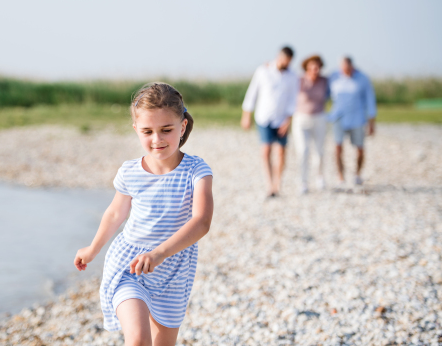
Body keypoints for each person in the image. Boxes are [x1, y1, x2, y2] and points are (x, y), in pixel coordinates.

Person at [74, 83, 214, 346]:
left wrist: (159, 253)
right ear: (136, 129)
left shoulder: (197, 171)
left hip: (173, 268)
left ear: (182, 127)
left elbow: (202, 222)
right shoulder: (130, 171)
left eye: (166, 130)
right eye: (147, 131)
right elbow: (116, 213)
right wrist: (93, 248)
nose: (157, 139)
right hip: (130, 265)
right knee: (138, 340)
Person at [241, 46, 299, 197]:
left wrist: (288, 120)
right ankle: (269, 185)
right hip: (264, 116)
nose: (285, 63)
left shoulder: (292, 76)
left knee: (281, 152)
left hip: (282, 118)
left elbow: (293, 100)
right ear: (279, 57)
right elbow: (252, 92)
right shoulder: (263, 70)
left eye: (288, 61)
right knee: (265, 151)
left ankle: (277, 184)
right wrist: (246, 114)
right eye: (283, 59)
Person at [328, 56, 377, 186]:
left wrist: (372, 121)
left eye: (348, 69)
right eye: (343, 69)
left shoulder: (362, 78)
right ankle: (340, 176)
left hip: (358, 118)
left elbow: (370, 100)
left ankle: (357, 174)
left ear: (352, 67)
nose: (346, 72)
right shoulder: (333, 77)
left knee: (360, 148)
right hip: (338, 117)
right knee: (338, 147)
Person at [292, 55, 329, 194]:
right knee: (303, 150)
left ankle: (320, 177)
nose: (315, 69)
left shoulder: (325, 81)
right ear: (306, 67)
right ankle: (303, 181)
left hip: (319, 117)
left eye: (318, 66)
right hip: (301, 118)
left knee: (319, 150)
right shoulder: (299, 80)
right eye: (312, 66)